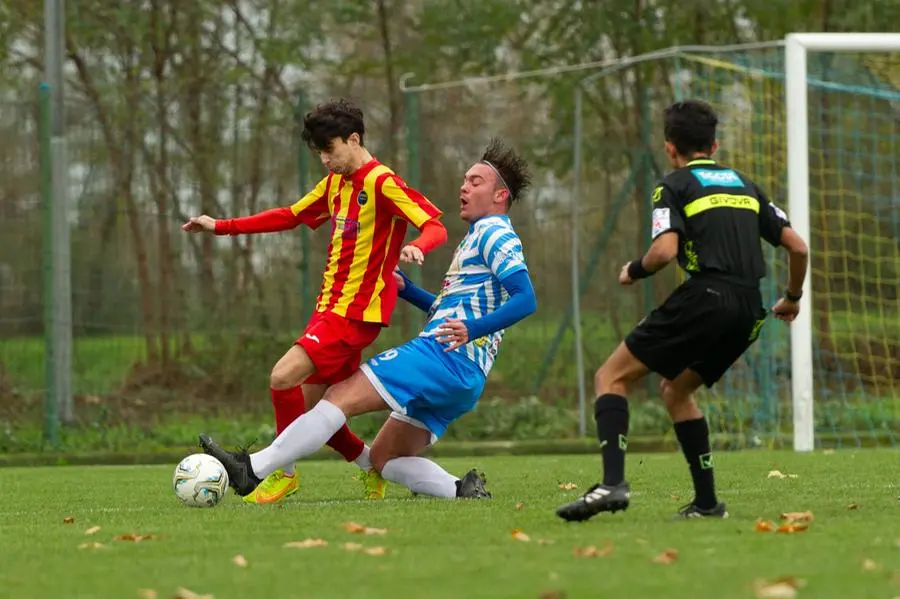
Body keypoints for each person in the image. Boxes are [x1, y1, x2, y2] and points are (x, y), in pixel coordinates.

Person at [198, 138, 537, 500]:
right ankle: (461, 490)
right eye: (465, 180)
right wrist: (407, 291)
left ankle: (253, 470)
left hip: (444, 356)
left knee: (338, 396)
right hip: (467, 376)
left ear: (500, 196)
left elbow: (526, 299)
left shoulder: (494, 232)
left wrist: (472, 329)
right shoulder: (477, 237)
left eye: (475, 181)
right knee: (383, 457)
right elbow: (450, 310)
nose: (463, 186)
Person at [183, 99, 447, 504]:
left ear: (354, 139)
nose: (325, 160)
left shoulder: (381, 182)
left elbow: (434, 223)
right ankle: (370, 468)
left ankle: (279, 473)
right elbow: (288, 215)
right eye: (320, 153)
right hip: (330, 309)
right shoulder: (335, 185)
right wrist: (219, 226)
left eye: (330, 150)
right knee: (315, 411)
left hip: (355, 314)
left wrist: (419, 247)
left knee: (281, 377)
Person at [556, 99, 809, 522]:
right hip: (750, 308)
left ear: (670, 146)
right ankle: (708, 504)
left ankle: (612, 484)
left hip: (706, 297)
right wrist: (794, 297)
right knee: (676, 390)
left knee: (610, 377)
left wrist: (634, 271)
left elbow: (664, 251)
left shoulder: (672, 185)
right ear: (715, 143)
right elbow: (798, 246)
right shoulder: (746, 186)